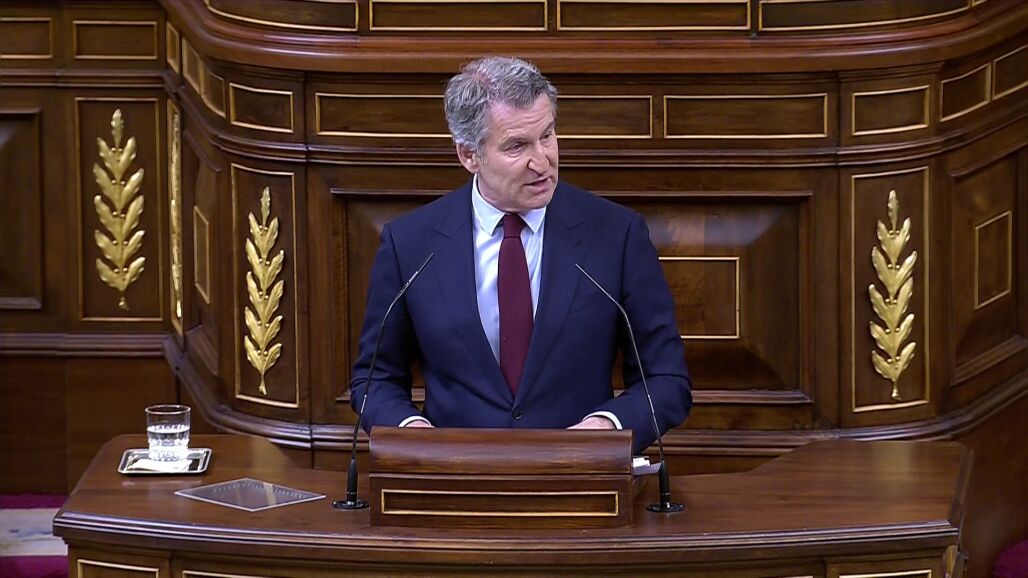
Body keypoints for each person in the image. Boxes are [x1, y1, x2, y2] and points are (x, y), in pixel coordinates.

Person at [349, 56, 691, 454]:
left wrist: (605, 428)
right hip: (454, 476)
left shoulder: (616, 235)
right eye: (517, 146)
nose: (542, 161)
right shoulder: (410, 244)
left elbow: (666, 379)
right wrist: (414, 434)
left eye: (547, 136)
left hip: (577, 475)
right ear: (469, 155)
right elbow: (375, 379)